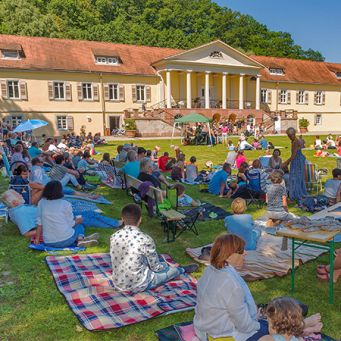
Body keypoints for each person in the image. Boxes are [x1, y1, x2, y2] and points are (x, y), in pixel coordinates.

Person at [193, 233, 268, 341]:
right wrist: (260, 325)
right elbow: (244, 326)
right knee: (271, 329)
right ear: (229, 255)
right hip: (222, 336)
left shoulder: (209, 270)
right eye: (242, 251)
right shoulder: (230, 284)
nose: (245, 253)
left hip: (203, 328)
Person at [110, 204, 198, 292]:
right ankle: (181, 269)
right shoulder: (145, 239)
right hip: (140, 284)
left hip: (119, 283)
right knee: (170, 271)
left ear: (122, 219)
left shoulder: (113, 236)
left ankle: (171, 266)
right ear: (140, 219)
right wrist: (166, 267)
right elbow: (155, 267)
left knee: (162, 264)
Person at [34, 181, 99, 247]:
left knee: (73, 226)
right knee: (79, 225)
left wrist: (37, 239)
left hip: (49, 242)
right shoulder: (66, 204)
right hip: (67, 240)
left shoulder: (41, 203)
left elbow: (39, 223)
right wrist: (78, 221)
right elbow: (71, 224)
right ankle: (80, 239)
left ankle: (82, 239)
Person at [282, 128, 307, 202]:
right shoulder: (293, 141)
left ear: (293, 134)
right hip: (296, 160)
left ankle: (296, 195)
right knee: (296, 177)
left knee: (295, 177)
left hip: (297, 161)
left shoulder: (296, 142)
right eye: (288, 136)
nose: (289, 137)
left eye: (290, 135)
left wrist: (286, 162)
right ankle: (296, 194)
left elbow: (294, 155)